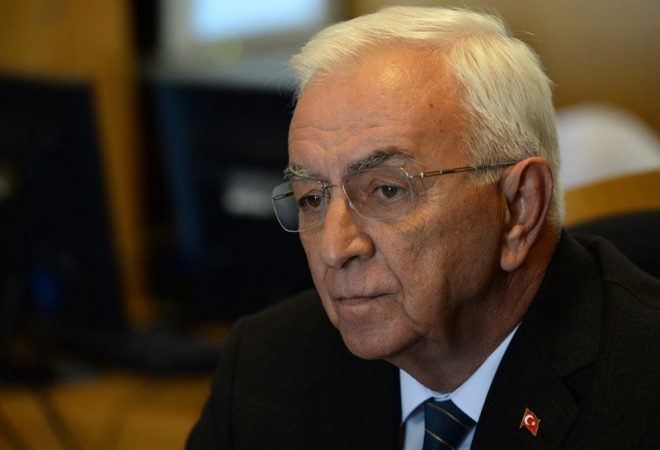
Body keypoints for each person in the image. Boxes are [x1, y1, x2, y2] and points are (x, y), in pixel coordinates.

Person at [186, 6, 660, 449]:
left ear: (519, 206)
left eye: (387, 190)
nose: (334, 248)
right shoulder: (265, 368)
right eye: (312, 198)